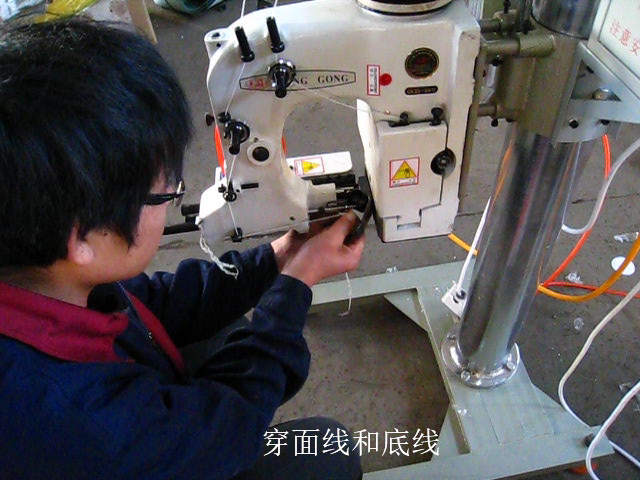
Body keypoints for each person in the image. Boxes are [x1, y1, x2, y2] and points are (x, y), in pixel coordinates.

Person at [0, 18, 365, 479]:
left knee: (223, 328)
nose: (174, 196)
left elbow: (150, 302)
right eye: (162, 195)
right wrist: (296, 286)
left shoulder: (44, 274)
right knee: (327, 454)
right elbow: (223, 432)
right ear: (81, 240)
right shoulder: (75, 417)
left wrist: (274, 260)